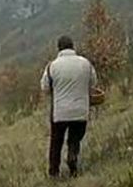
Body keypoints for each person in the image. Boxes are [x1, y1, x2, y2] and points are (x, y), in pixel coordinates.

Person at [40, 35, 97, 178]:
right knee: (75, 138)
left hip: (59, 112)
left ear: (59, 48)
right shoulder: (85, 63)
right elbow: (93, 83)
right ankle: (72, 159)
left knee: (56, 142)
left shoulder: (52, 66)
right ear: (73, 47)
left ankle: (54, 172)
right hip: (80, 110)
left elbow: (45, 88)